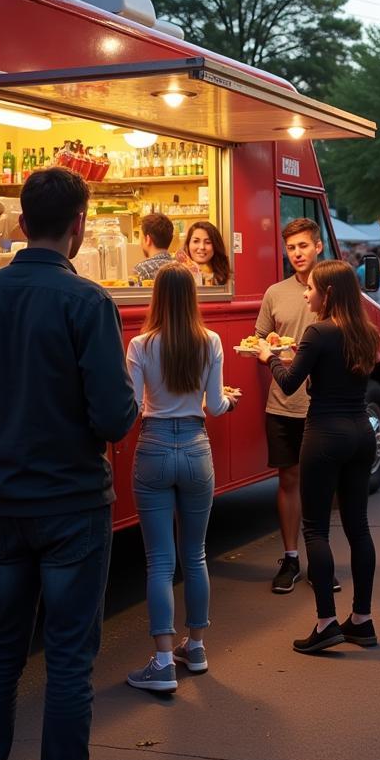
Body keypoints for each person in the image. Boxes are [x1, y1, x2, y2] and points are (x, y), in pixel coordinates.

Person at [0, 167, 138, 760]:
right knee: (69, 661)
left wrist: (0, 441)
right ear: (79, 226)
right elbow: (112, 416)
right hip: (73, 504)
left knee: (1, 651)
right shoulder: (88, 303)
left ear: (22, 225)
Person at [124, 263, 238, 693]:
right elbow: (214, 406)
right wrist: (230, 400)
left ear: (156, 297)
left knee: (159, 561)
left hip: (153, 447)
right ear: (192, 297)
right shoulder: (210, 341)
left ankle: (162, 661)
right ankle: (198, 647)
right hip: (195, 447)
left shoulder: (139, 344)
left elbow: (133, 408)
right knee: (196, 555)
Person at [258, 259, 380, 652]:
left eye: (311, 288)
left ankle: (326, 622)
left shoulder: (318, 331)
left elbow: (290, 384)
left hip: (325, 432)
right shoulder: (366, 330)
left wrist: (270, 357)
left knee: (315, 528)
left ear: (327, 293)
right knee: (358, 526)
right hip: (362, 431)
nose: (306, 293)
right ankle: (361, 620)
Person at [257, 217, 323, 594]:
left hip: (321, 404)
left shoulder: (334, 288)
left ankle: (320, 560)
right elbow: (259, 339)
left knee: (319, 483)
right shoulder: (275, 292)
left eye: (303, 246)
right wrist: (270, 350)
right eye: (291, 247)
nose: (297, 253)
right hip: (282, 402)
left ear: (318, 246)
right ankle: (291, 557)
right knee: (288, 480)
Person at [177, 220, 231, 286]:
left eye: (208, 242)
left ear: (216, 245)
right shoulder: (177, 274)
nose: (202, 247)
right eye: (196, 241)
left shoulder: (227, 278)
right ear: (188, 244)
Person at [134, 212, 176, 281]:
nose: (140, 243)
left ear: (147, 239)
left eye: (140, 237)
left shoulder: (141, 270)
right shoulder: (182, 268)